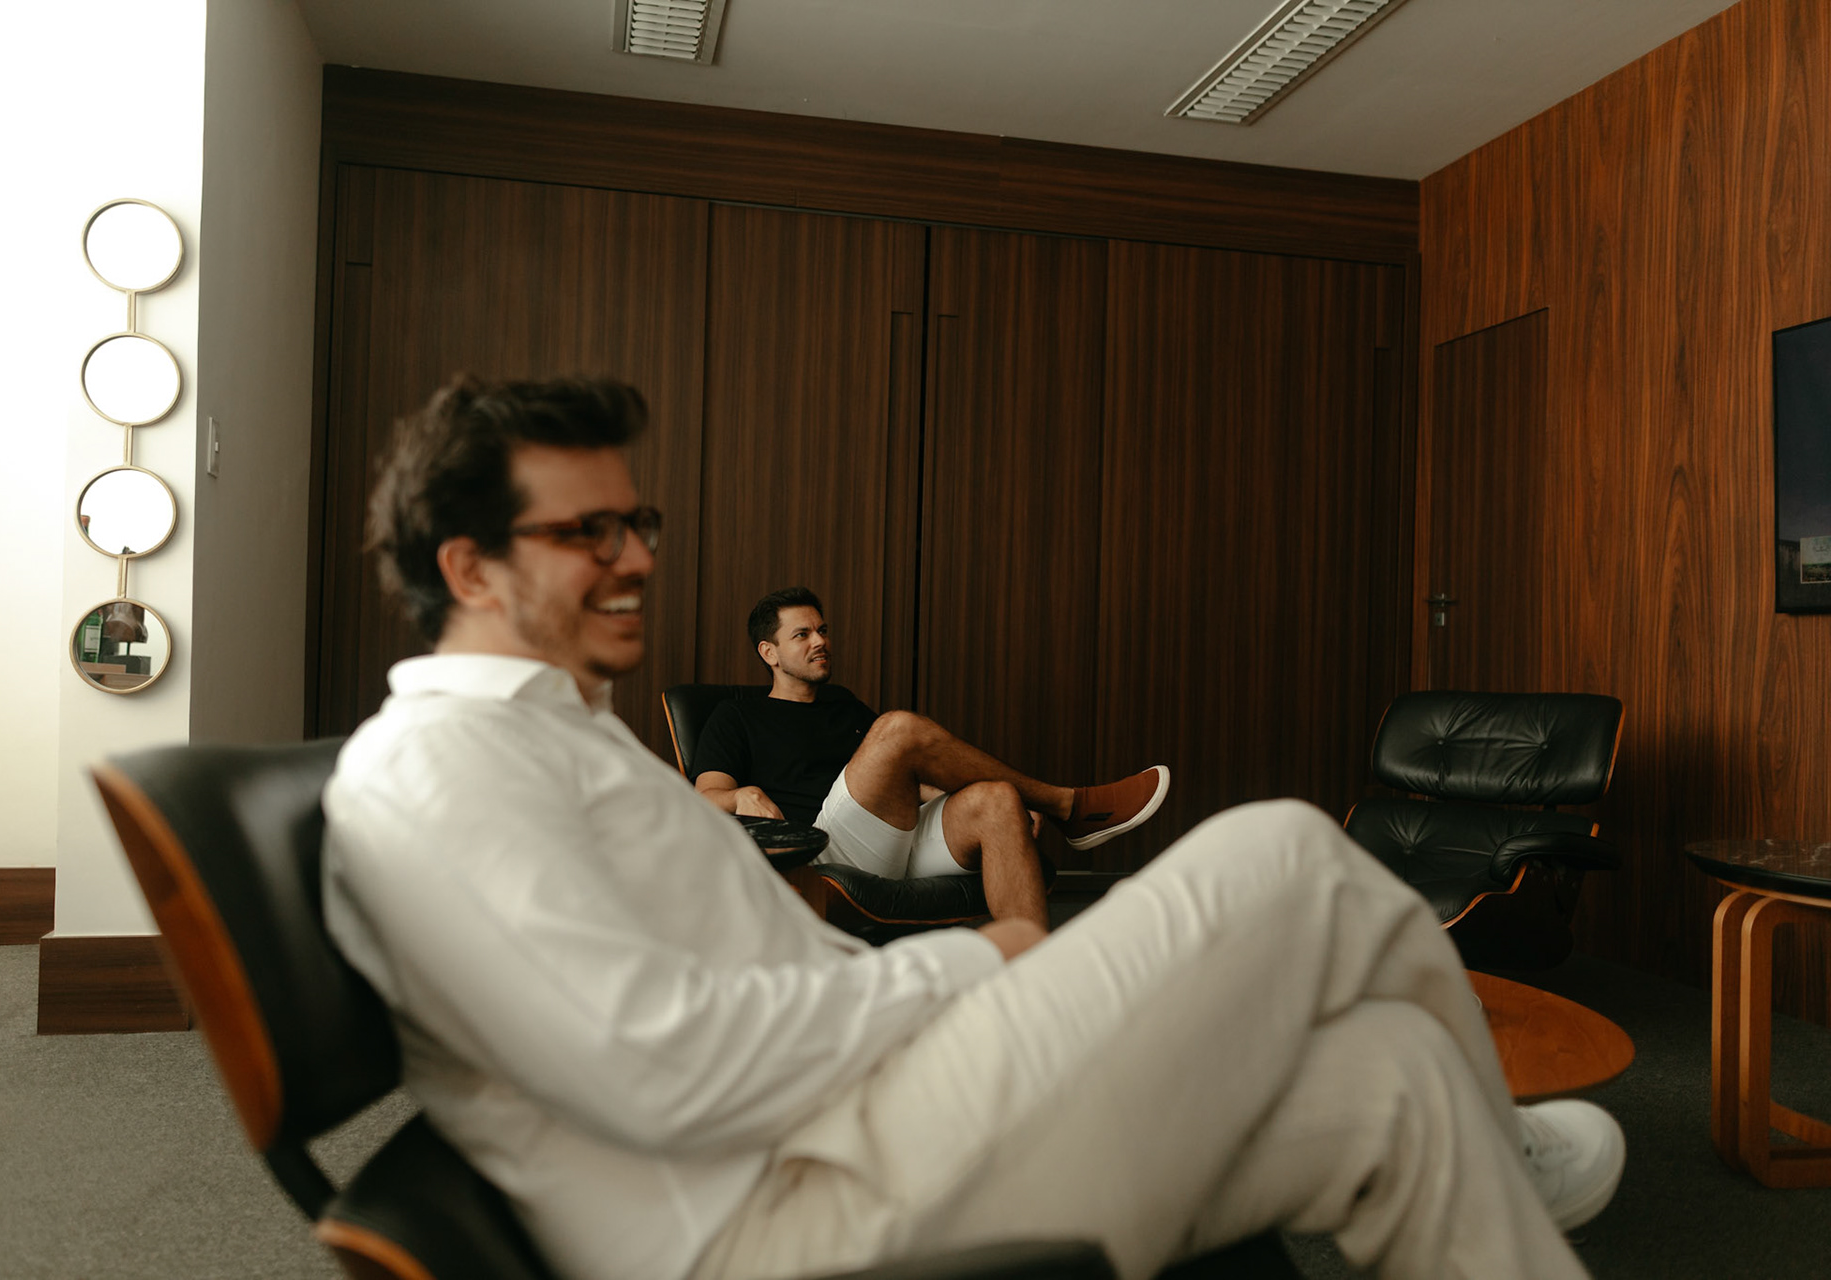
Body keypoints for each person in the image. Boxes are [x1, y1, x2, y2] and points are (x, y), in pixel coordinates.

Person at [322, 374, 1625, 1280]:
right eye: (589, 530)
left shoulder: (556, 739)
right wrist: (976, 963)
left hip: (852, 1123)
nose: (639, 558)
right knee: (1281, 854)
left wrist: (951, 985)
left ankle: (1485, 1145)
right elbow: (663, 1065)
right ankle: (1511, 1146)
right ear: (469, 566)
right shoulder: (437, 771)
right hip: (788, 1209)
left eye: (638, 522)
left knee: (1393, 1076)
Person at [689, 586, 1169, 925]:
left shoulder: (843, 704)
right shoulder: (737, 715)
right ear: (769, 653)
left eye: (823, 630)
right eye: (802, 635)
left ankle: (1030, 979)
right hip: (824, 849)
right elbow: (705, 795)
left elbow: (902, 781)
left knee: (997, 800)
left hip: (891, 837)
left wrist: (954, 798)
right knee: (898, 728)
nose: (821, 641)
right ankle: (1066, 805)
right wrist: (740, 795)